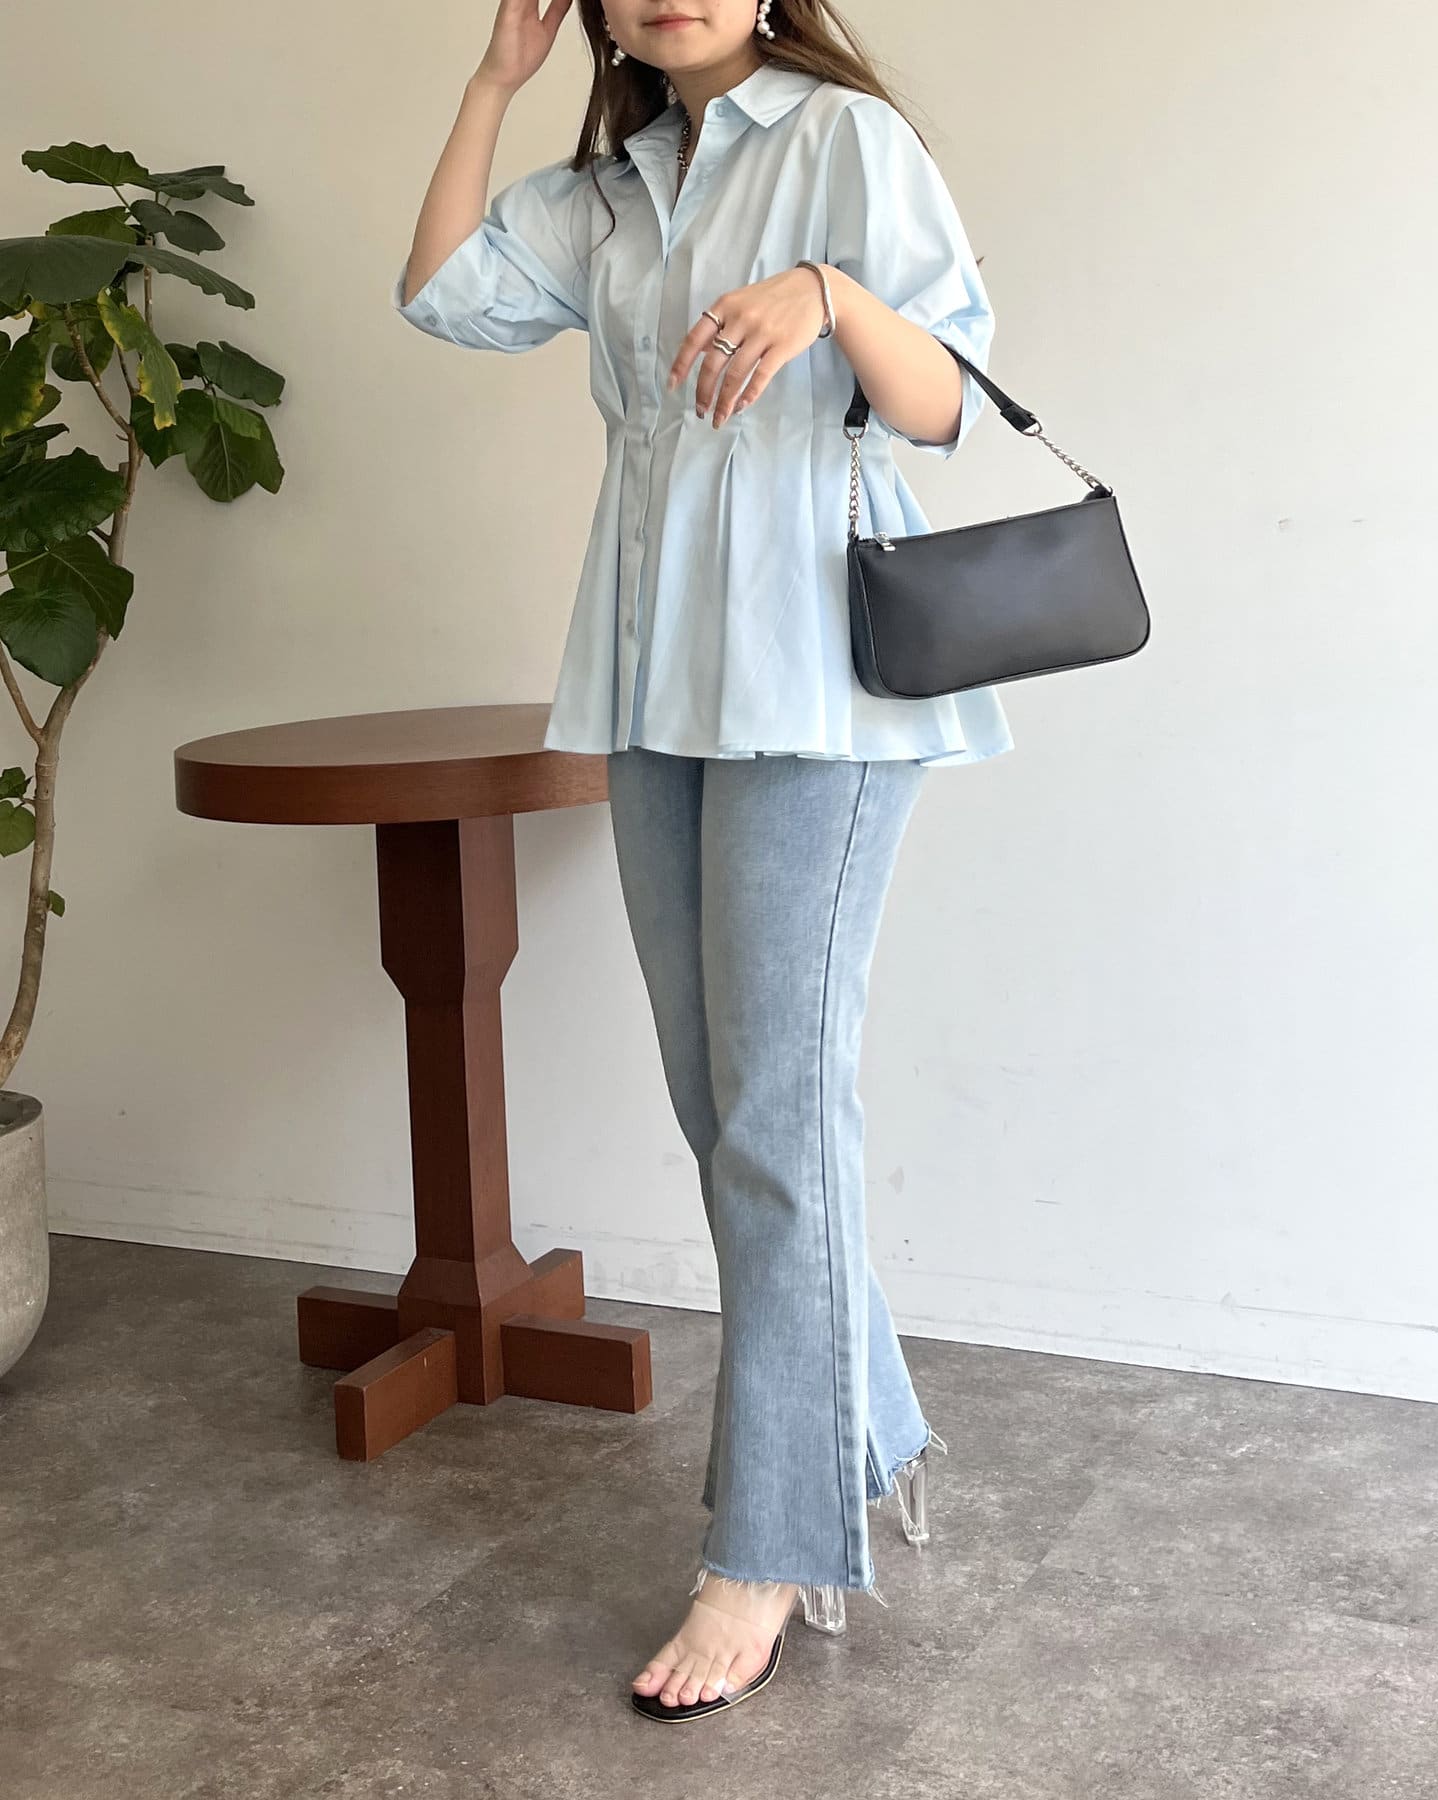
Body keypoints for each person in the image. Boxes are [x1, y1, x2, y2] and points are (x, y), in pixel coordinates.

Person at [393, 0, 1013, 1723]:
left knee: (778, 1121)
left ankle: (771, 1548)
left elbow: (946, 404)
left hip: (818, 688)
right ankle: (872, 1427)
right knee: (723, 1107)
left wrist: (829, 295)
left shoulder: (845, 141)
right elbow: (440, 292)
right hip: (651, 682)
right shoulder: (614, 188)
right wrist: (494, 84)